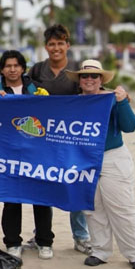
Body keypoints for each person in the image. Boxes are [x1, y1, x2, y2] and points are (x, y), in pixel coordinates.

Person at [66, 60, 135, 269]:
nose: (89, 79)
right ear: (79, 80)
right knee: (92, 209)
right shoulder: (73, 102)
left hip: (112, 156)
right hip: (84, 159)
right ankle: (100, 251)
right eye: (84, 76)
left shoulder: (112, 98)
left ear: (101, 79)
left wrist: (122, 102)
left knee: (122, 207)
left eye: (94, 76)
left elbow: (130, 126)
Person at [27, 24, 92, 255]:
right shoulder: (37, 70)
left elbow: (94, 92)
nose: (56, 48)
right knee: (43, 188)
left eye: (60, 43)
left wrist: (117, 96)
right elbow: (21, 93)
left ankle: (81, 237)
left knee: (74, 186)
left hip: (71, 140)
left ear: (68, 45)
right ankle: (41, 234)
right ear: (46, 47)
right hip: (42, 141)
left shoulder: (78, 69)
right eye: (52, 44)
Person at [0, 50, 55, 261]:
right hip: (7, 154)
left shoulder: (37, 90)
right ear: (2, 70)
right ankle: (12, 242)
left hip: (37, 153)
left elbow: (51, 115)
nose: (12, 69)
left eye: (16, 65)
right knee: (11, 199)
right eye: (8, 66)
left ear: (23, 68)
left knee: (41, 198)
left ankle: (44, 242)